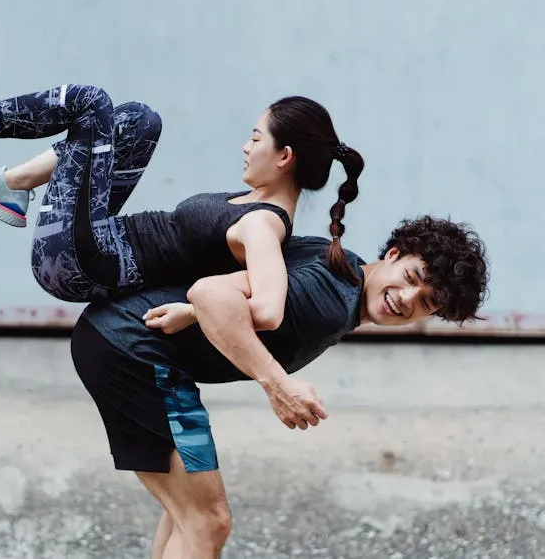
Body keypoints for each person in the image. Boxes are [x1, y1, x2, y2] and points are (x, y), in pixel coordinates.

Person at [71, 215, 490, 558]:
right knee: (207, 521)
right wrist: (277, 384)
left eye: (426, 302)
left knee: (188, 514)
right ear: (393, 254)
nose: (408, 298)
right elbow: (211, 294)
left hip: (134, 347)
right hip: (132, 350)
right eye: (411, 277)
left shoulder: (340, 267)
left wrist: (197, 315)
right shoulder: (331, 296)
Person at [0, 85, 364, 329]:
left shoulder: (263, 227)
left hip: (83, 262)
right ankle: (12, 187)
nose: (245, 147)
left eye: (255, 139)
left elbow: (270, 312)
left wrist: (193, 313)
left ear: (284, 156)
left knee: (90, 103)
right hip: (93, 244)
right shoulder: (258, 204)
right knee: (141, 120)